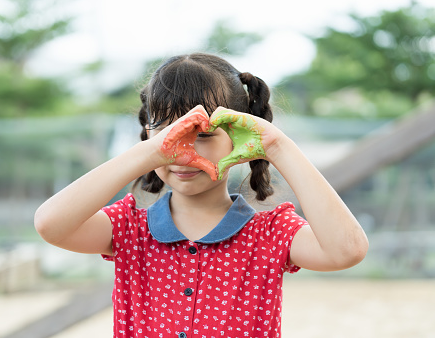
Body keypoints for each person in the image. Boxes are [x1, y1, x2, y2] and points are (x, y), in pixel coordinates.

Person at [34, 53, 369, 338]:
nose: (182, 151)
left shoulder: (268, 235)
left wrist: (277, 145)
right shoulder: (130, 229)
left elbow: (347, 250)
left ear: (240, 136)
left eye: (203, 134)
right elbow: (50, 224)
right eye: (168, 132)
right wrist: (148, 153)